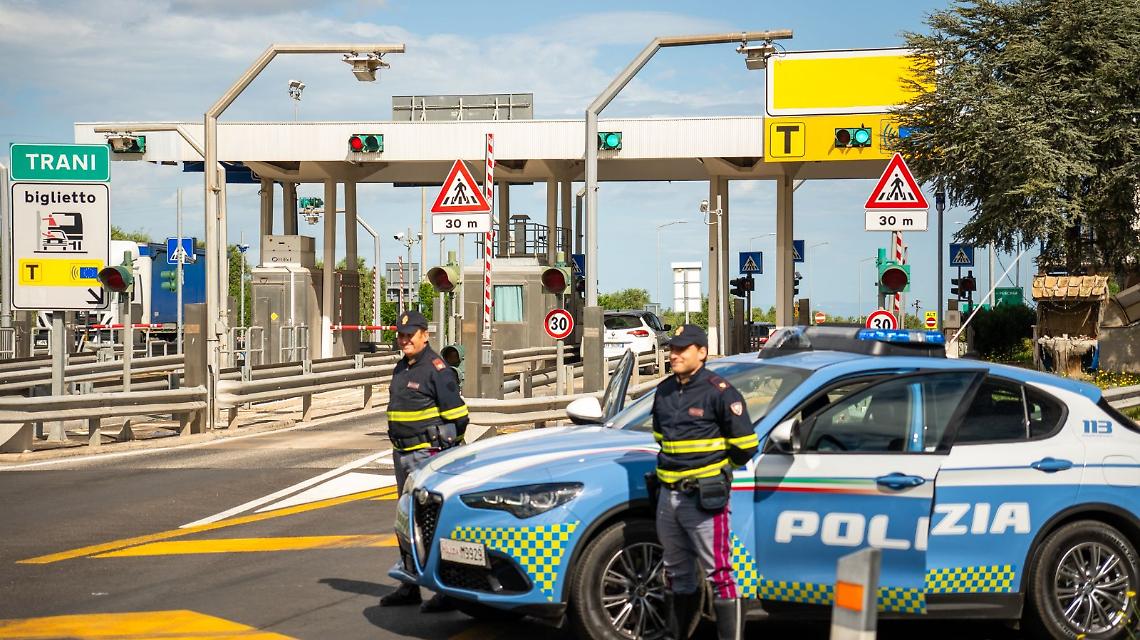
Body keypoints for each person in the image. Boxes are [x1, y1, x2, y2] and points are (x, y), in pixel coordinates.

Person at [651, 325, 759, 640]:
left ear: (702, 352)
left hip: (703, 500)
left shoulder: (720, 392)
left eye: (682, 349)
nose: (674, 355)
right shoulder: (664, 390)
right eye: (672, 348)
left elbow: (745, 446)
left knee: (720, 575)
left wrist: (716, 474)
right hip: (667, 499)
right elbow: (661, 437)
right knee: (676, 574)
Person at [379, 310, 469, 613]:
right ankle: (410, 584)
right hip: (402, 455)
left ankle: (447, 590)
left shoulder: (437, 369)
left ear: (425, 335)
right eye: (401, 335)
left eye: (410, 335)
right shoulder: (402, 367)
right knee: (406, 523)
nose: (404, 340)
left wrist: (442, 457)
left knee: (432, 525)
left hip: (427, 458)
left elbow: (459, 418)